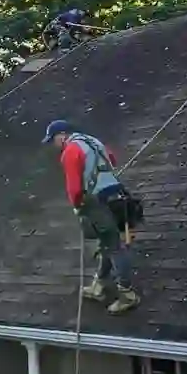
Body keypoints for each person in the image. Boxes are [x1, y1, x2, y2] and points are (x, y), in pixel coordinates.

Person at [42, 118, 140, 313]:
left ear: (62, 135)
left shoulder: (70, 150)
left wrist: (77, 206)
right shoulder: (93, 141)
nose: (54, 144)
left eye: (53, 139)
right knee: (107, 243)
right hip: (117, 196)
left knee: (114, 247)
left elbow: (74, 187)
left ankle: (127, 295)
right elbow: (112, 160)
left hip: (98, 202)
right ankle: (99, 285)